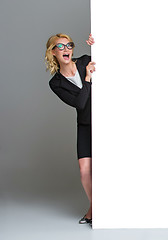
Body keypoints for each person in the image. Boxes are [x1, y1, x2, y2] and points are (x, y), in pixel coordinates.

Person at [45, 33, 95, 225]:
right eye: (61, 47)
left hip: (104, 121)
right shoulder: (55, 83)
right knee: (84, 171)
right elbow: (80, 103)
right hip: (85, 124)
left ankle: (92, 211)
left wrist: (97, 44)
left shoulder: (85, 61)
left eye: (69, 45)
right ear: (53, 52)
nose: (66, 49)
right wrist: (88, 79)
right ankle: (96, 206)